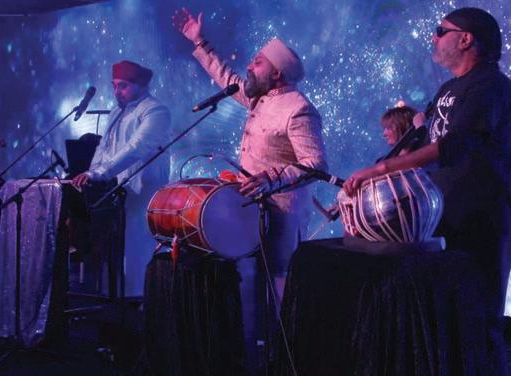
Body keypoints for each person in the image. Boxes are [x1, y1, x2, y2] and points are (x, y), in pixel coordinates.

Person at [343, 8, 511, 376]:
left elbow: (453, 145)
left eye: (441, 31)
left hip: (482, 219)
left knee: (480, 320)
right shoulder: (449, 90)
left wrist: (380, 169)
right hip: (441, 217)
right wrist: (369, 190)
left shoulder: (491, 85)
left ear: (466, 39)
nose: (433, 38)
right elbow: (422, 146)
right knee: (447, 321)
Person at [172, 9, 327, 296]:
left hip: (283, 214)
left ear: (277, 73)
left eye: (258, 62)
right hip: (252, 210)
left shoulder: (298, 108)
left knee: (280, 287)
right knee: (251, 285)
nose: (249, 67)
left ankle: (284, 328)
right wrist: (199, 42)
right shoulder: (260, 98)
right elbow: (227, 78)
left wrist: (272, 178)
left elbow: (316, 163)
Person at [72, 60, 171, 297]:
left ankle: (140, 304)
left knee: (137, 252)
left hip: (144, 194)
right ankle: (113, 303)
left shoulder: (155, 111)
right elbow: (105, 150)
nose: (117, 91)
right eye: (114, 86)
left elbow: (136, 147)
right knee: (114, 254)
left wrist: (99, 173)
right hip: (117, 194)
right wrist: (91, 175)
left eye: (123, 86)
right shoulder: (117, 112)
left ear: (141, 85)